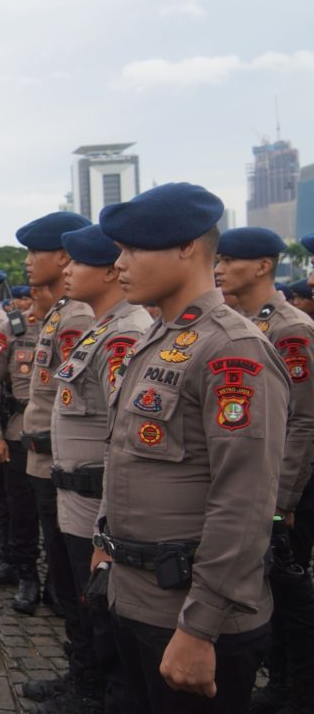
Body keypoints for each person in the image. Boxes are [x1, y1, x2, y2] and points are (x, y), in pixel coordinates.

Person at [94, 183, 288, 714]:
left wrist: (200, 627)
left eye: (134, 248)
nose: (120, 263)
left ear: (185, 247)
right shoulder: (155, 337)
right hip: (138, 598)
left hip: (191, 617)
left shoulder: (232, 347)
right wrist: (105, 542)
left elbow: (246, 501)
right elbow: (126, 454)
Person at [46, 225, 152, 714]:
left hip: (94, 501)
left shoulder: (124, 333)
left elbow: (122, 435)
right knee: (80, 602)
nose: (67, 269)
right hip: (76, 497)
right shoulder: (102, 328)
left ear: (110, 270)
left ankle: (95, 692)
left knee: (99, 608)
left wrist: (106, 527)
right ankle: (84, 678)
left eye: (78, 262)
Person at [214, 227, 314, 713]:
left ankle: (296, 691)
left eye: (230, 260)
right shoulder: (240, 322)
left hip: (287, 487)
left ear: (262, 266)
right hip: (261, 485)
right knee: (264, 585)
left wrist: (285, 498)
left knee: (290, 591)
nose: (219, 268)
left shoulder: (289, 328)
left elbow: (306, 419)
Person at [15, 211, 98, 707]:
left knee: (80, 587)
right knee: (69, 583)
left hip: (74, 475)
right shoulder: (62, 315)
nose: (27, 263)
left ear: (64, 258)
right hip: (54, 465)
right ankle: (83, 677)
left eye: (34, 253)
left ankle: (91, 685)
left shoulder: (80, 318)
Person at [0, 285, 48, 613]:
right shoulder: (13, 328)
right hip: (20, 430)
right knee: (20, 507)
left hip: (65, 435)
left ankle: (64, 585)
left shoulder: (82, 323)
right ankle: (26, 573)